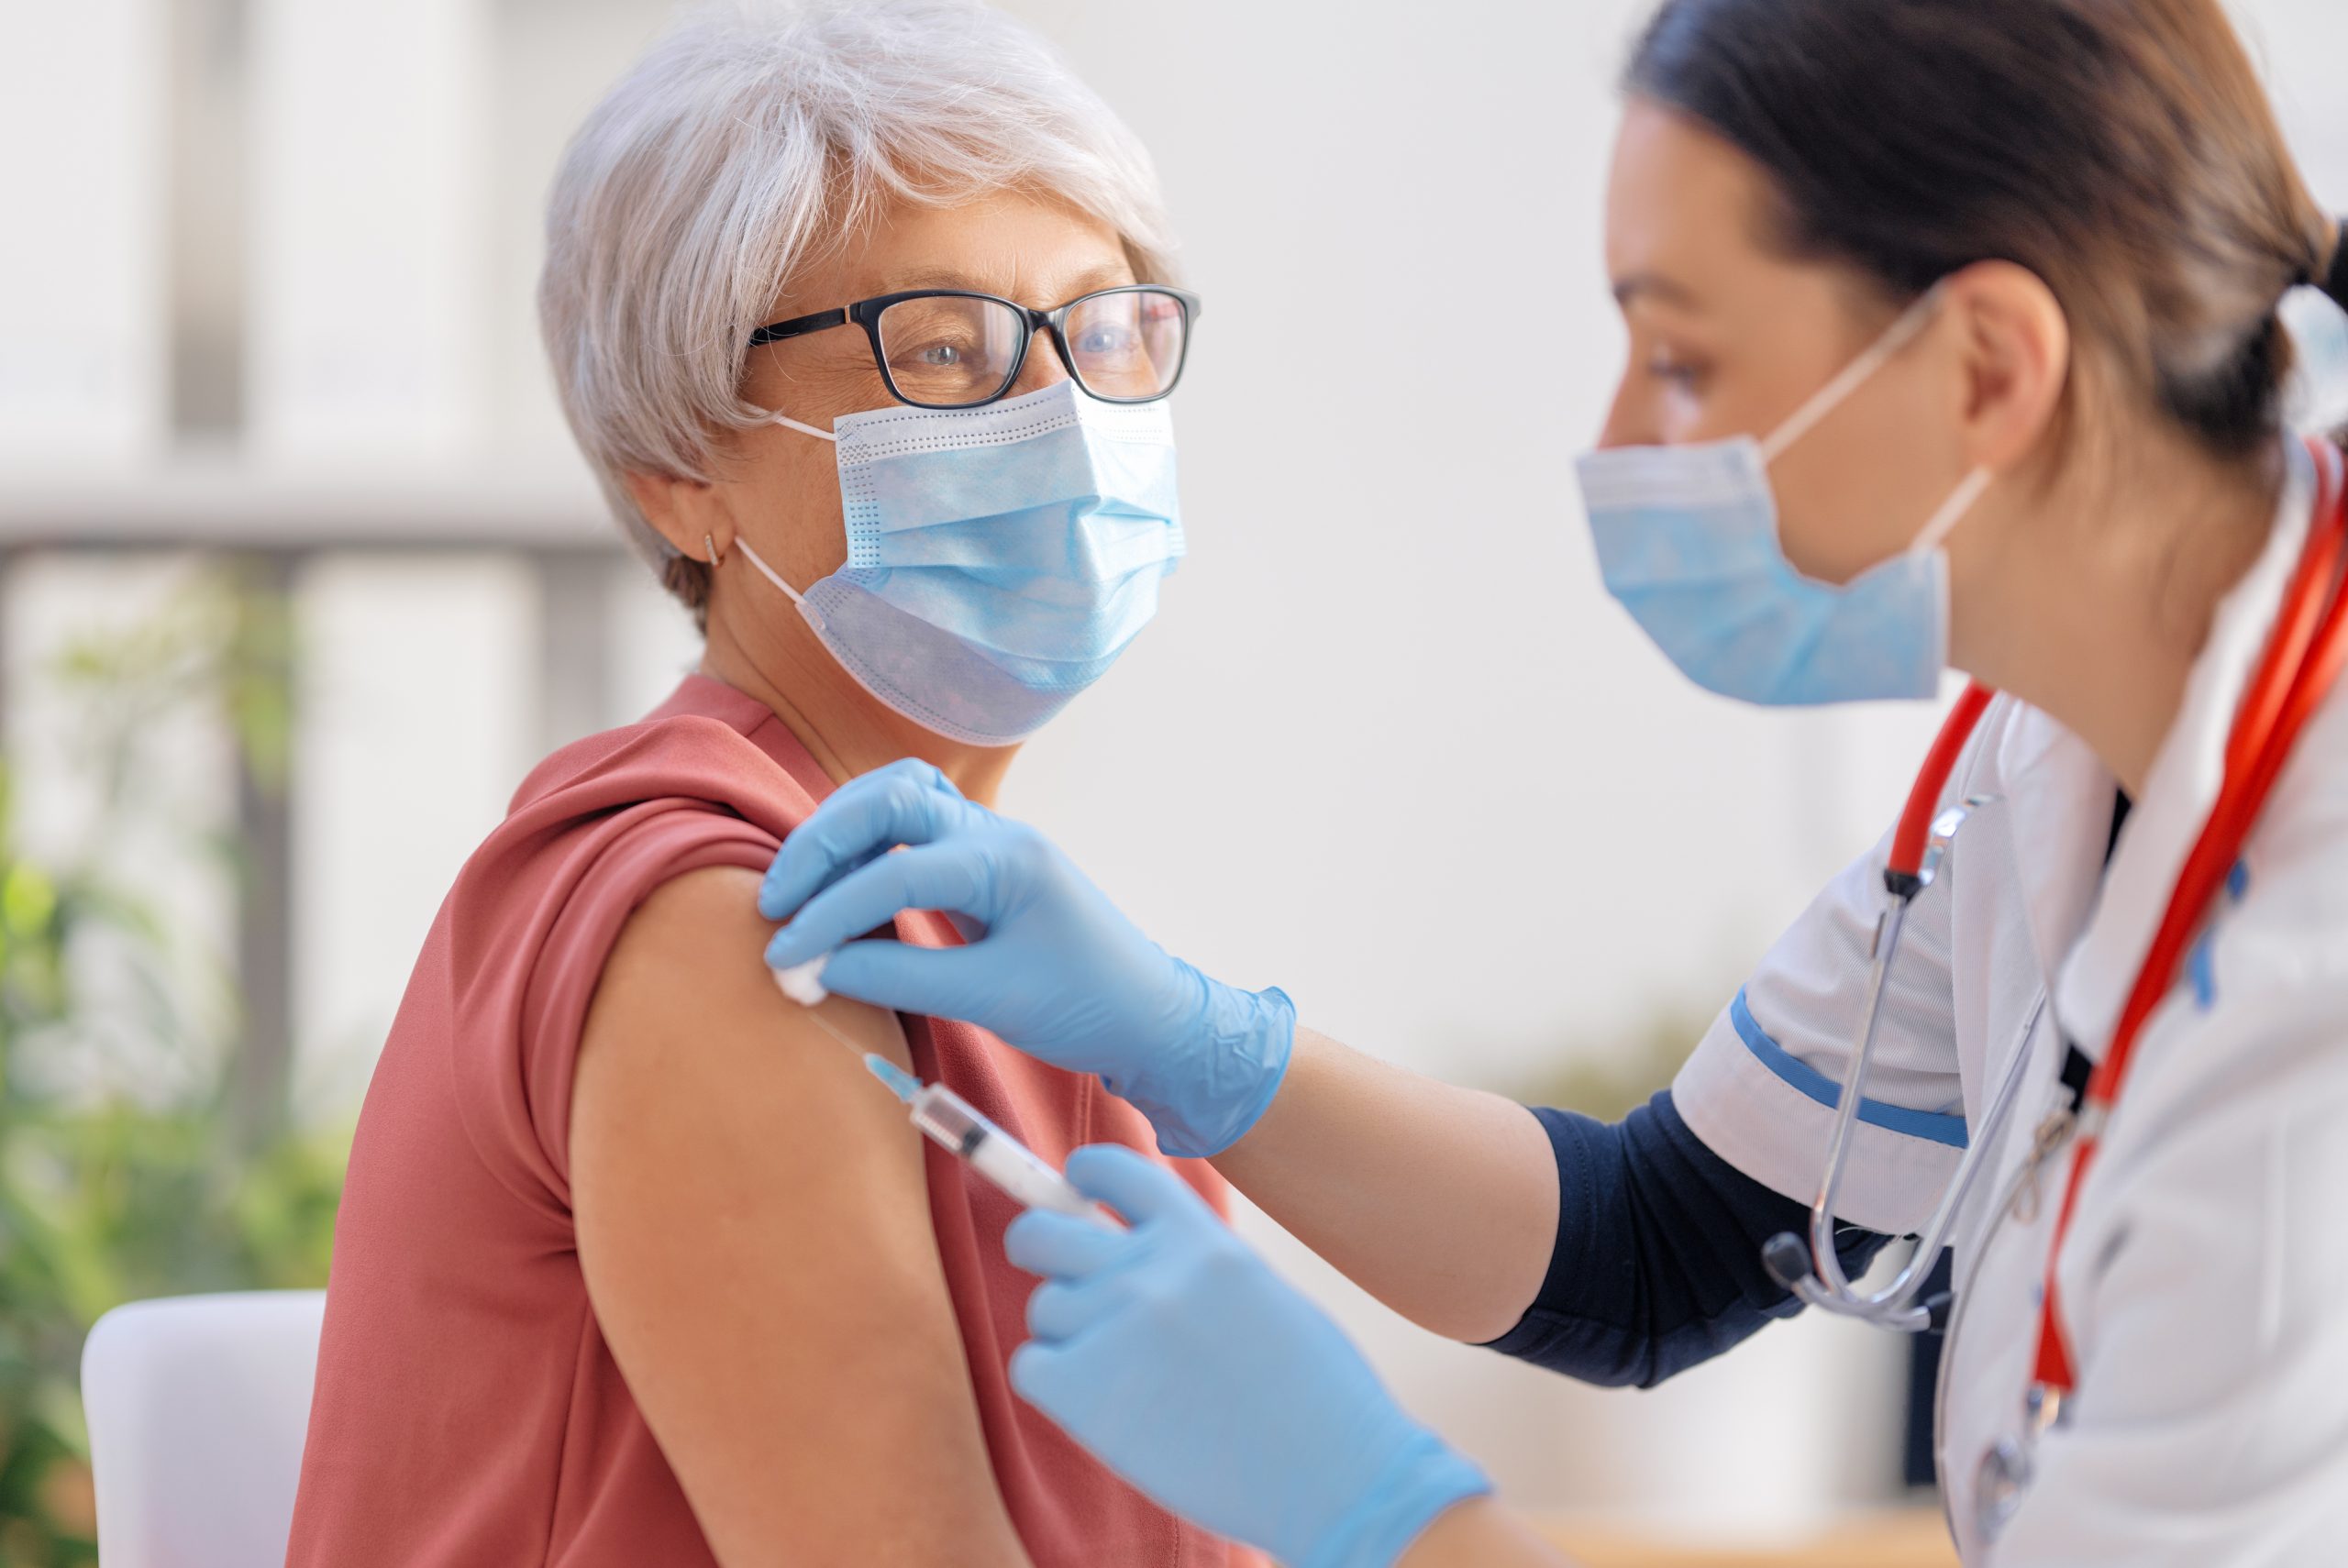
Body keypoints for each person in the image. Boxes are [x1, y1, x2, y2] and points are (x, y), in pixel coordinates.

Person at [756, 1, 2348, 1563]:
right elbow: (1662, 1240)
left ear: (1991, 366)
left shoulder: (2309, 1019)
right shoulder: (2039, 763)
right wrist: (1195, 1038)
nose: (1611, 437)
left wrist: (1373, 1502)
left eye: (1680, 356)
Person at [283, 4, 1259, 1565]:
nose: (1065, 418)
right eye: (947, 350)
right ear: (685, 466)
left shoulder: (997, 929)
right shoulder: (718, 917)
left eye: (1101, 326)